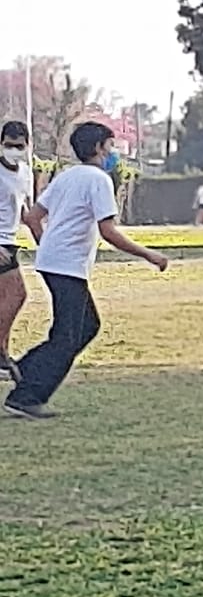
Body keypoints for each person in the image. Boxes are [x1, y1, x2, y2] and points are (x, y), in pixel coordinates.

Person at [4, 122, 168, 420]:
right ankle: (26, 396)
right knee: (67, 335)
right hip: (66, 265)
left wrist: (49, 246)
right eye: (110, 146)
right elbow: (108, 231)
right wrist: (148, 254)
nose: (113, 153)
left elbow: (33, 217)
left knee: (87, 326)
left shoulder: (67, 176)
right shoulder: (99, 180)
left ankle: (26, 371)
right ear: (98, 148)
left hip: (55, 261)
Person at [0, 121, 34, 381]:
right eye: (9, 145)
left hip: (11, 241)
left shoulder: (25, 173)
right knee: (17, 295)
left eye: (19, 146)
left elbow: (23, 209)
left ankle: (3, 355)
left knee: (5, 303)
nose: (14, 151)